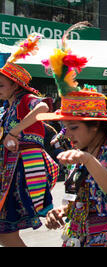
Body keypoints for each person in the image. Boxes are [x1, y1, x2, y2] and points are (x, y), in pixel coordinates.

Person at [39, 25, 107, 247]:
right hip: (80, 236)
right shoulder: (82, 153)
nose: (67, 134)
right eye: (65, 127)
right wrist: (61, 211)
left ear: (95, 126)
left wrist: (88, 161)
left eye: (74, 127)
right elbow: (81, 198)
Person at [0, 33, 60, 247]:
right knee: (6, 234)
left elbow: (43, 108)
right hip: (9, 169)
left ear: (15, 85)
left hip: (22, 168)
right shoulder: (7, 108)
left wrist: (14, 131)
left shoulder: (26, 99)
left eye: (1, 85)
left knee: (6, 232)